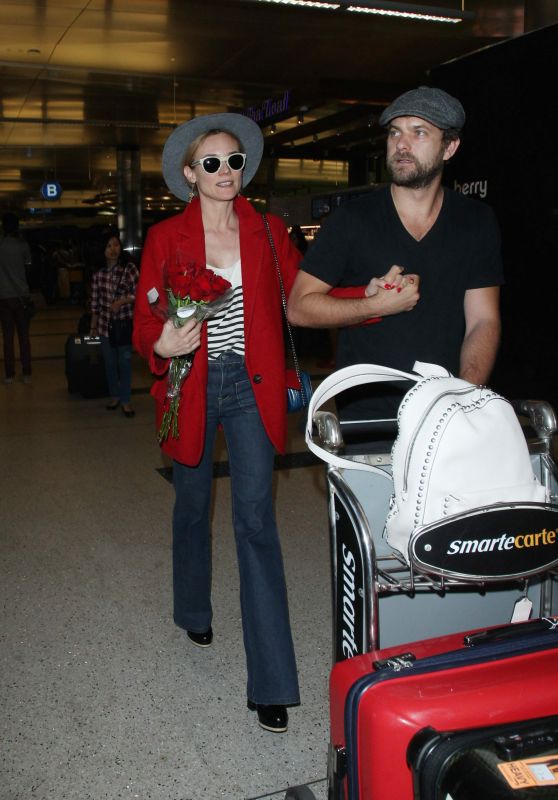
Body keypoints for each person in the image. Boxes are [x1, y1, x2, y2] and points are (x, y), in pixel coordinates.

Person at [133, 113, 301, 733]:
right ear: (189, 174)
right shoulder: (165, 239)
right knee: (192, 506)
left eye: (234, 161)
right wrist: (164, 345)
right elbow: (143, 325)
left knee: (256, 522)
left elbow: (306, 294)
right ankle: (192, 607)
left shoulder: (268, 230)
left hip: (251, 388)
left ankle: (273, 683)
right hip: (193, 385)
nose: (226, 172)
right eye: (213, 163)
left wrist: (370, 301)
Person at [287, 86, 503, 422]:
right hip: (366, 411)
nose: (402, 145)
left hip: (445, 409)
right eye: (394, 133)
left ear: (450, 147)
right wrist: (376, 306)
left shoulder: (475, 221)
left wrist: (465, 393)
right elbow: (299, 307)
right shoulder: (352, 219)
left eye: (419, 133)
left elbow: (483, 319)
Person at [90, 230, 139, 417]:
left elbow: (139, 293)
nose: (113, 249)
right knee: (110, 363)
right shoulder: (98, 274)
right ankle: (115, 395)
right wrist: (93, 327)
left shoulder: (129, 268)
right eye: (109, 246)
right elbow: (95, 303)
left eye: (116, 245)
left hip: (124, 324)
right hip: (104, 326)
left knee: (124, 362)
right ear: (102, 250)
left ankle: (126, 400)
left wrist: (121, 302)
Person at [0, 212, 33, 384]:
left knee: (7, 337)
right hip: (22, 297)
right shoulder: (23, 246)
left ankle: (9, 374)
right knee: (24, 336)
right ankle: (27, 372)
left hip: (4, 297)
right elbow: (29, 270)